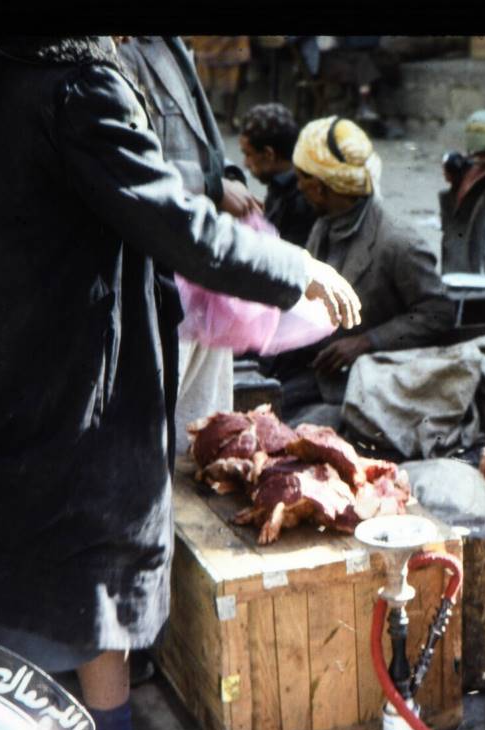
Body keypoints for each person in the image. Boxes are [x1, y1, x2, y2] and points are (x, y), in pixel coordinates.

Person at [0, 36, 361, 730]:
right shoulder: (72, 85)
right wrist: (295, 269)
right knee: (95, 553)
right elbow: (174, 223)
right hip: (62, 364)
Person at [118, 36, 266, 462]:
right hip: (155, 261)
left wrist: (225, 175)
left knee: (204, 423)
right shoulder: (118, 51)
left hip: (196, 262)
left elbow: (199, 135)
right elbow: (133, 164)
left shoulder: (169, 43)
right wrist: (214, 187)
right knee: (152, 423)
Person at [266, 115, 456, 428]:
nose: (297, 186)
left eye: (301, 178)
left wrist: (367, 341)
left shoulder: (397, 242)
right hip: (321, 373)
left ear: (320, 188)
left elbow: (438, 313)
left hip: (369, 387)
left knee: (297, 433)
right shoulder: (325, 224)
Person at [238, 102, 320, 248]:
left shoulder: (302, 199)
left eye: (248, 154)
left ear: (269, 154)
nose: (245, 163)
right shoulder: (280, 185)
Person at [182, 35, 250, 129]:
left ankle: (224, 120)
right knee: (206, 88)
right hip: (209, 46)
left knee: (229, 86)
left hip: (226, 47)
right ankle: (208, 121)